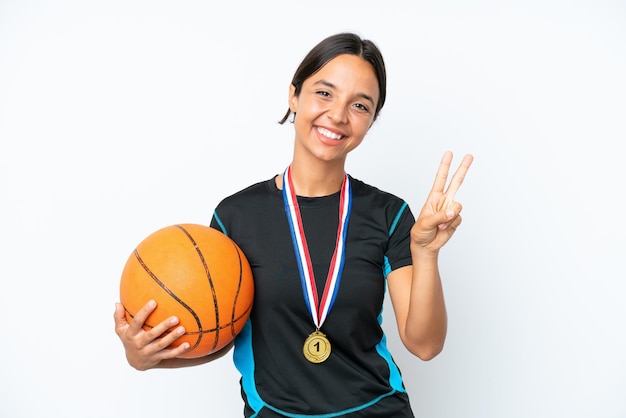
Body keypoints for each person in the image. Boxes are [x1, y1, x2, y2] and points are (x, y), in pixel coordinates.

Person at [114, 32, 473, 417]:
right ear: (294, 96)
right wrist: (147, 357)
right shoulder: (236, 216)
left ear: (371, 121)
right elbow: (216, 331)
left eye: (360, 105)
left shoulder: (389, 214)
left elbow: (425, 345)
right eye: (324, 93)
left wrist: (426, 253)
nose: (338, 114)